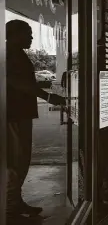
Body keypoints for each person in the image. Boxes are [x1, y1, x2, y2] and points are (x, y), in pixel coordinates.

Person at [6, 19, 65, 224]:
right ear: (15, 34)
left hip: (20, 115)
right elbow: (18, 82)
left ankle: (15, 201)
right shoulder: (10, 54)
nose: (31, 37)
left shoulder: (15, 53)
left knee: (21, 160)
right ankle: (9, 208)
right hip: (14, 116)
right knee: (15, 161)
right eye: (28, 33)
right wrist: (48, 97)